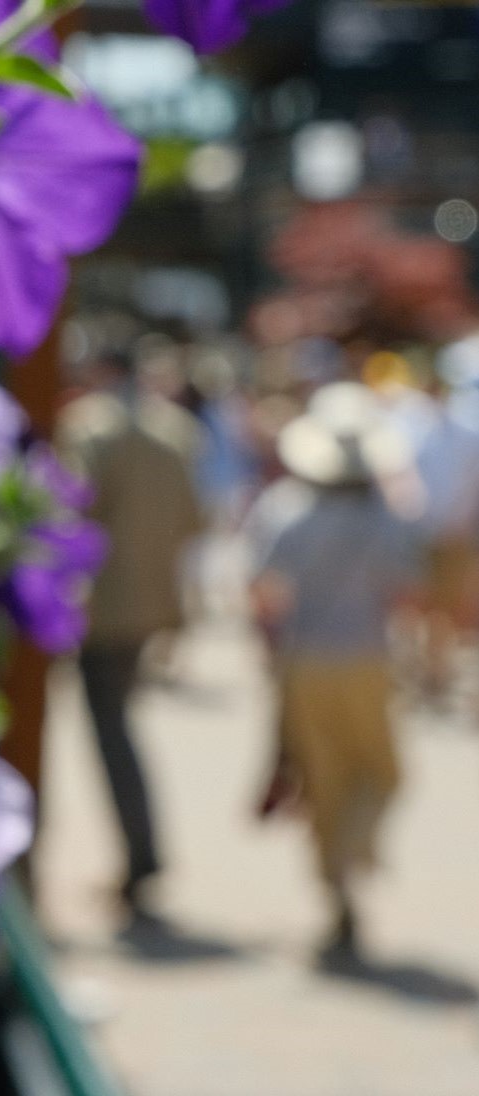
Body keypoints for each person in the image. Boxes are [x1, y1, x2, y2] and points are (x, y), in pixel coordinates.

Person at [250, 384, 422, 956]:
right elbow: (404, 591)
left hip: (304, 662)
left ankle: (336, 875)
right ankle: (351, 860)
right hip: (366, 660)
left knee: (323, 781)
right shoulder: (386, 517)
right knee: (380, 773)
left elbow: (265, 595)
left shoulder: (286, 509)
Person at [57, 350, 205, 912]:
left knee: (112, 734)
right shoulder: (176, 429)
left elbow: (67, 514)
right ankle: (142, 853)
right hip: (151, 604)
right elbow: (195, 518)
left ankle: (141, 858)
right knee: (122, 727)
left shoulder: (91, 426)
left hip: (100, 608)